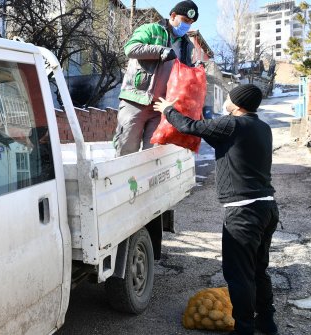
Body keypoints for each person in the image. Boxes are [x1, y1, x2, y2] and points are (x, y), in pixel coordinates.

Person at [153, 84, 279, 335]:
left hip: (243, 213)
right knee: (258, 270)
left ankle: (244, 329)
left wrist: (168, 109)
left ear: (238, 103)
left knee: (239, 274)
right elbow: (211, 133)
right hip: (267, 209)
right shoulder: (261, 127)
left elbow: (191, 128)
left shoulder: (232, 124)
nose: (227, 99)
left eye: (230, 96)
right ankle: (267, 322)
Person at [114, 0, 198, 156]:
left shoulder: (187, 46)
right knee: (126, 150)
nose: (187, 26)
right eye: (185, 20)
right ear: (173, 15)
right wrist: (160, 51)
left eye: (190, 23)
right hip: (136, 99)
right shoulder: (152, 29)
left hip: (161, 107)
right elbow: (130, 48)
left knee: (153, 155)